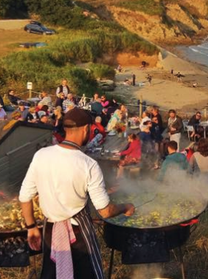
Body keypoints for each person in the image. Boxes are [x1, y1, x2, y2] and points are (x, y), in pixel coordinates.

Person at [19, 108, 135, 279]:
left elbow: (24, 197)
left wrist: (31, 228)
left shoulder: (41, 155)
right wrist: (126, 206)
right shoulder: (88, 164)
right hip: (79, 233)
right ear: (86, 129)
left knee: (53, 274)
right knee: (87, 274)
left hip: (50, 230)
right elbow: (105, 211)